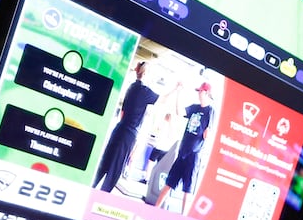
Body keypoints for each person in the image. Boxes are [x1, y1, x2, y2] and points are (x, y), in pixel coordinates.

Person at [91, 60, 160, 193]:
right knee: (116, 167)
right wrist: (176, 89)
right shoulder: (144, 91)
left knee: (105, 162)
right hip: (129, 133)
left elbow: (123, 112)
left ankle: (92, 187)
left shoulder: (132, 87)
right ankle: (102, 195)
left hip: (119, 129)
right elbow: (161, 100)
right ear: (145, 74)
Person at [154, 81, 215, 212]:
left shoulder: (210, 111)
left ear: (206, 93)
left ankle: (183, 216)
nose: (199, 94)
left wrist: (206, 132)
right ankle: (155, 209)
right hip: (183, 151)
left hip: (194, 154)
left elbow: (207, 134)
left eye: (201, 91)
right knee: (170, 182)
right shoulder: (194, 107)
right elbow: (180, 111)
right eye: (198, 91)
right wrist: (178, 93)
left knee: (188, 188)